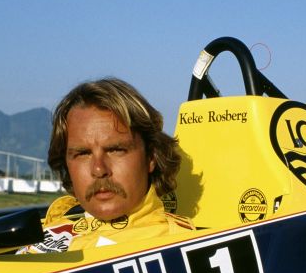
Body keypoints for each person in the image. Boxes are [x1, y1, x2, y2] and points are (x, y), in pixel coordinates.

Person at [19, 78, 194, 253]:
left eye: (115, 150)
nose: (99, 169)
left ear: (151, 157)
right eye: (83, 153)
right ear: (65, 162)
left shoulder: (181, 248)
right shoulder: (51, 224)